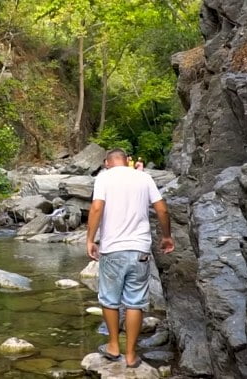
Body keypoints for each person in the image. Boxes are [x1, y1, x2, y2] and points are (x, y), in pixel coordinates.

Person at [86, 148, 174, 368]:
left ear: (107, 162)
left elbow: (97, 208)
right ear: (126, 161)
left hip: (113, 248)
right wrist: (166, 237)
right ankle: (131, 355)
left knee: (109, 299)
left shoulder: (104, 178)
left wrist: (90, 239)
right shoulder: (144, 177)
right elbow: (162, 209)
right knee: (135, 302)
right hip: (139, 249)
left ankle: (114, 346)